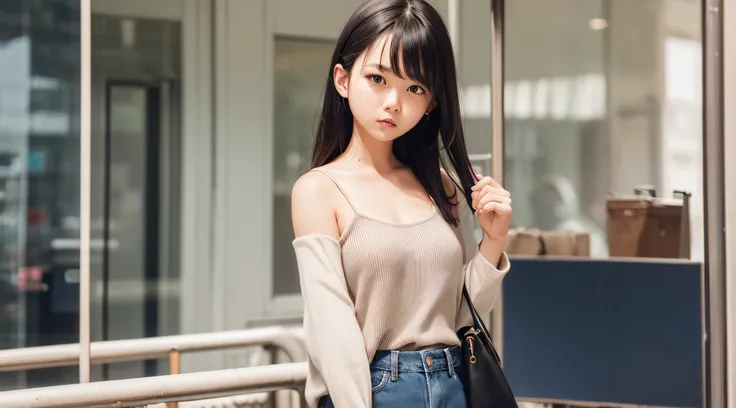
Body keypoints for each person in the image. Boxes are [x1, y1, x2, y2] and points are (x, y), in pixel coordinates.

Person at [291, 1, 512, 406]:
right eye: (377, 78)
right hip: (376, 390)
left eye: (415, 88)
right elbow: (332, 330)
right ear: (342, 79)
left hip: (454, 384)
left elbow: (461, 319)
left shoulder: (439, 185)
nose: (393, 101)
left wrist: (492, 243)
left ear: (431, 102)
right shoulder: (318, 190)